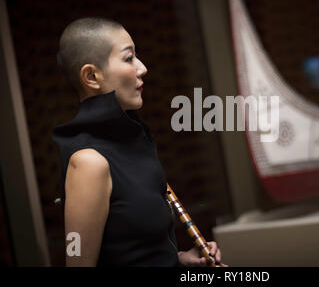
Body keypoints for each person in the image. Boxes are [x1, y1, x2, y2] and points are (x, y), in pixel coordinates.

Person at [52, 17, 227, 267]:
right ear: (91, 76)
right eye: (128, 58)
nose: (142, 67)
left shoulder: (135, 141)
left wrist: (178, 261)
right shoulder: (89, 162)